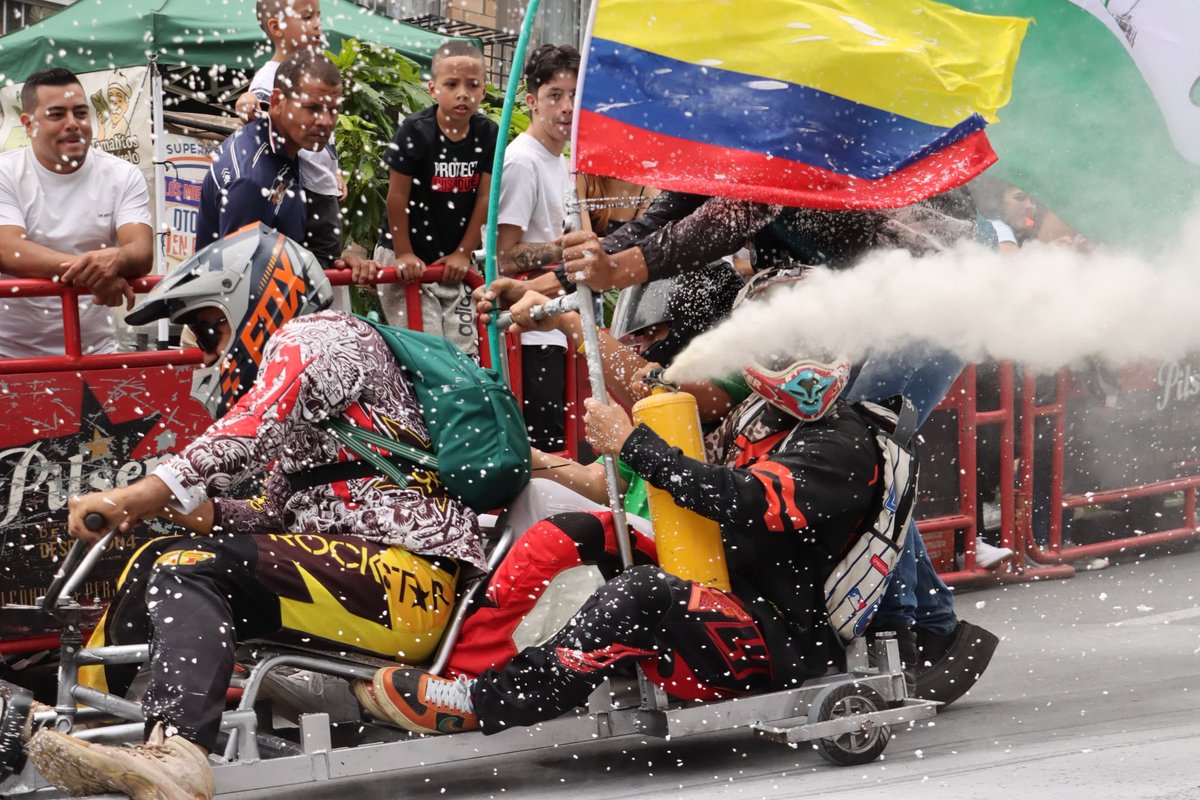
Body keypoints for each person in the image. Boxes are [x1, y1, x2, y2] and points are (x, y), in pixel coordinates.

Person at [24, 225, 484, 800]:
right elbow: (277, 515)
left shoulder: (317, 334)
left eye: (208, 329)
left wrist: (136, 496)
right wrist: (198, 512)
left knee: (186, 567)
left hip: (408, 583)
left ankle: (179, 751)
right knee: (155, 556)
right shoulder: (317, 372)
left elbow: (249, 430)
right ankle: (90, 726)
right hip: (364, 576)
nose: (206, 352)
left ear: (257, 295)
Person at [362, 276, 895, 736]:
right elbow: (650, 387)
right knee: (567, 531)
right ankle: (461, 672)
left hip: (775, 641)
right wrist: (564, 318)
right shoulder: (755, 411)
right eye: (788, 347)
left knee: (639, 592)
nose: (803, 363)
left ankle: (485, 703)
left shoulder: (841, 443)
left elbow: (742, 498)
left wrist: (629, 441)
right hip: (720, 585)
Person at [554, 190, 998, 704]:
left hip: (933, 293)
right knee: (849, 463)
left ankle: (901, 632)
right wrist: (561, 281)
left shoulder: (769, 155)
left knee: (868, 447)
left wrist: (611, 271)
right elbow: (665, 216)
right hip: (858, 295)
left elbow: (718, 224)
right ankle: (929, 624)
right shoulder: (718, 163)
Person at [0, 67, 153, 359]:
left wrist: (118, 258)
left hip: (94, 353)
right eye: (57, 115)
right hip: (8, 356)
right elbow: (8, 250)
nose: (73, 124)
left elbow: (142, 252)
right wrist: (98, 272)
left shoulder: (122, 175)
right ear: (28, 124)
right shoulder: (6, 173)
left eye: (81, 113)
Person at [200, 50, 376, 283]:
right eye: (312, 108)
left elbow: (281, 260)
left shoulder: (281, 147)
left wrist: (337, 264)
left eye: (334, 109)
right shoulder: (251, 179)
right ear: (276, 101)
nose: (325, 121)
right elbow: (239, 287)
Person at [374, 40, 498, 357]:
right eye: (452, 85)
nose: (463, 94)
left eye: (472, 85)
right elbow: (396, 196)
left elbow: (485, 197)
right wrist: (404, 253)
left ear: (484, 91)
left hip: (453, 259)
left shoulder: (488, 133)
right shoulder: (415, 131)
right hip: (405, 251)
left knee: (464, 354)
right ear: (433, 89)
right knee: (427, 353)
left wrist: (463, 252)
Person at [495, 44, 579, 451]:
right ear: (531, 101)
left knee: (562, 447)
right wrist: (566, 250)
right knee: (545, 451)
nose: (567, 107)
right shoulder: (522, 161)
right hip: (528, 334)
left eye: (574, 96)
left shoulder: (558, 160)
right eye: (555, 95)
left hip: (555, 322)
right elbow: (503, 256)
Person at [235, 0, 347, 267]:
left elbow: (325, 142)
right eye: (307, 17)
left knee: (328, 261)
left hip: (320, 184)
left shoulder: (314, 72)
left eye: (318, 16)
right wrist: (245, 101)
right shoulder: (270, 76)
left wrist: (334, 171)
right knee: (318, 266)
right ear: (276, 27)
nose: (317, 24)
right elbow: (254, 107)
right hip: (301, 187)